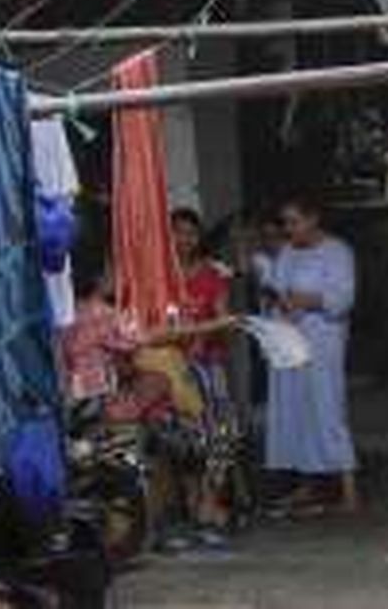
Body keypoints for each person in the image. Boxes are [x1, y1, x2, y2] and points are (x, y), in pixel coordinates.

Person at [264, 195, 359, 515]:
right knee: (296, 410)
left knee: (328, 409)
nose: (289, 229)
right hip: (290, 341)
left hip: (323, 342)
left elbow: (343, 299)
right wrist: (282, 304)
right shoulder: (288, 252)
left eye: (294, 221)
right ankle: (308, 485)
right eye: (286, 223)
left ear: (313, 218)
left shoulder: (337, 252)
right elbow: (276, 288)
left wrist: (308, 301)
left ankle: (348, 489)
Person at [170, 208, 244, 533]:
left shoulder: (211, 276)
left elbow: (224, 320)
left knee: (217, 437)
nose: (184, 239)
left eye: (190, 233)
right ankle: (192, 503)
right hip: (172, 370)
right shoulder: (159, 276)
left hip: (207, 369)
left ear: (199, 238)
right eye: (177, 232)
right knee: (186, 439)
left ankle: (210, 501)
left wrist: (204, 336)